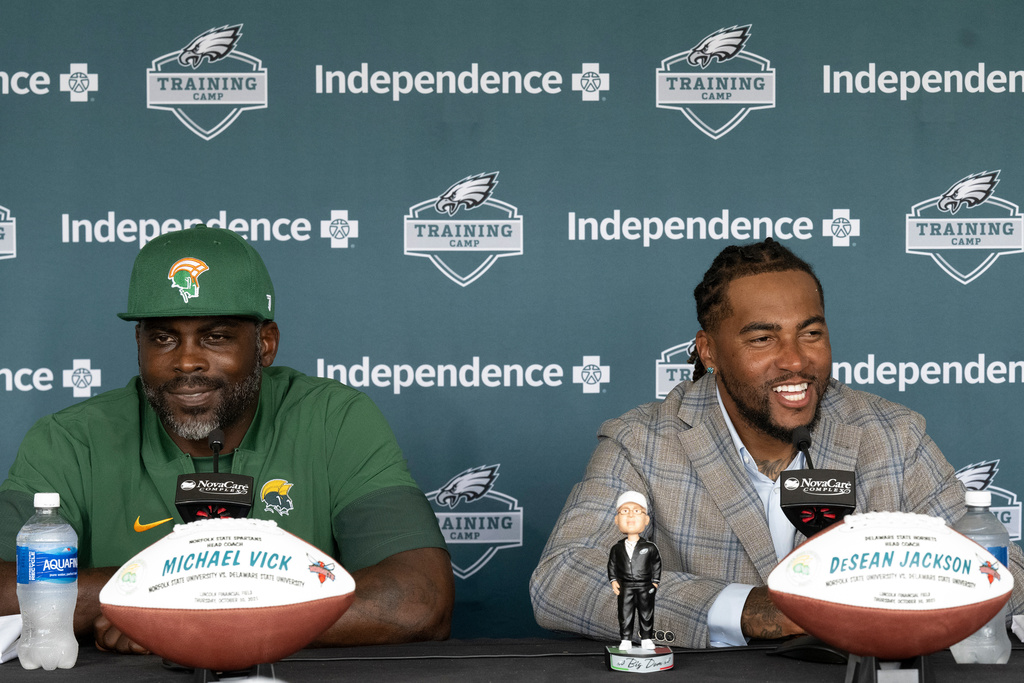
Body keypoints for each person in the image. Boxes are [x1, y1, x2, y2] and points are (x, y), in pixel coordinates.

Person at [530, 238, 1024, 649]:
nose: (794, 361)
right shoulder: (643, 442)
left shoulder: (890, 434)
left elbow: (1007, 577)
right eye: (763, 339)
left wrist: (892, 594)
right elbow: (563, 580)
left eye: (810, 332)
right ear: (709, 351)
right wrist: (747, 609)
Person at [0, 225, 454, 654]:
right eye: (163, 338)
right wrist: (163, 593)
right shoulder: (70, 438)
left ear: (265, 344)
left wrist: (184, 617)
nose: (187, 362)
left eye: (215, 337)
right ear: (139, 342)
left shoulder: (334, 419)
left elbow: (418, 601)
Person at [608, 491, 660, 651]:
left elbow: (656, 564)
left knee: (646, 613)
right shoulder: (617, 548)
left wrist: (655, 583)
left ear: (646, 520)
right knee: (625, 613)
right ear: (617, 520)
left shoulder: (650, 547)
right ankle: (625, 639)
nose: (630, 515)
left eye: (637, 511)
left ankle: (646, 638)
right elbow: (612, 565)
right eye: (625, 511)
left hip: (645, 585)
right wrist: (613, 580)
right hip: (625, 586)